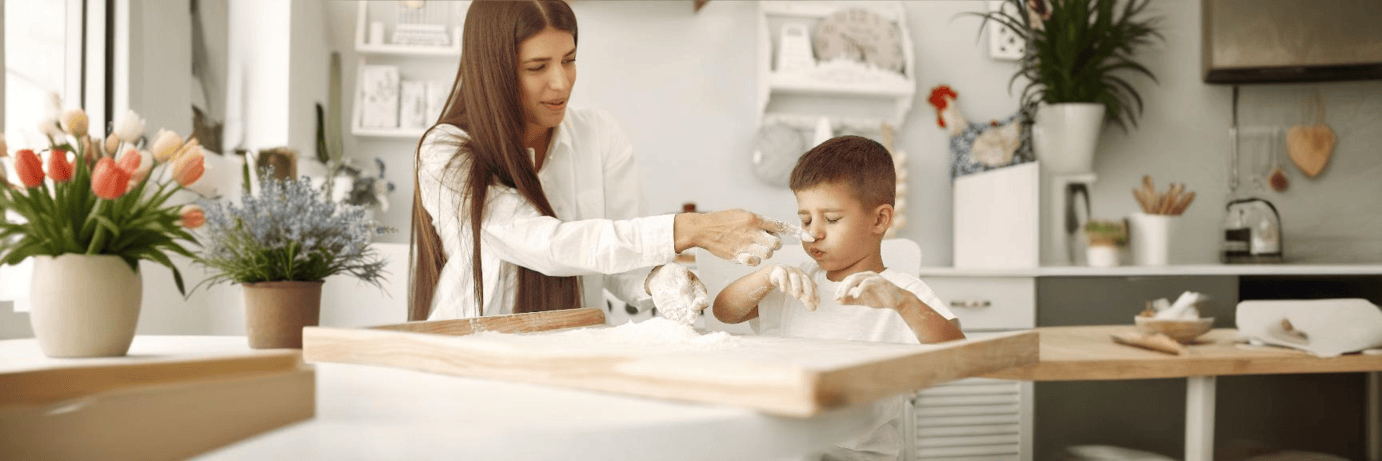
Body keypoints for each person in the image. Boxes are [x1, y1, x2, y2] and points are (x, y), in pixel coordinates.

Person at [410, 0, 799, 322]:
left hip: (574, 347)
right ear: (493, 71)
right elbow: (542, 244)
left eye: (569, 59)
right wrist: (689, 228)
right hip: (467, 351)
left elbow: (619, 259)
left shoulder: (598, 134)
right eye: (537, 67)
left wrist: (656, 277)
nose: (561, 82)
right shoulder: (445, 152)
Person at [713, 135, 966, 461]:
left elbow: (957, 356)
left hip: (861, 454)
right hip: (790, 447)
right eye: (805, 219)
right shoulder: (795, 283)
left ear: (879, 219)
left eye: (831, 219)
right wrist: (765, 277)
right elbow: (724, 312)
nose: (813, 232)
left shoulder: (900, 293)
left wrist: (902, 303)